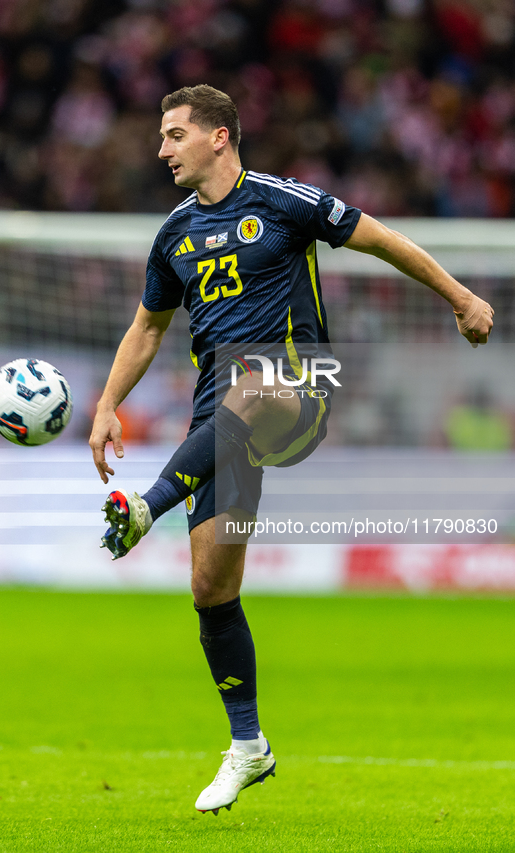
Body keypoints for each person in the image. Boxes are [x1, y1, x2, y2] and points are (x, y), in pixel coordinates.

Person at [89, 85, 494, 815]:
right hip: (219, 421)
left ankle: (146, 508)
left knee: (250, 383)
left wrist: (459, 297)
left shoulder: (281, 202)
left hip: (296, 388)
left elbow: (381, 239)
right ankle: (247, 746)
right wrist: (107, 405)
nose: (161, 150)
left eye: (175, 135)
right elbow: (147, 328)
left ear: (219, 137)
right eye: (161, 136)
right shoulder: (173, 235)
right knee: (210, 588)